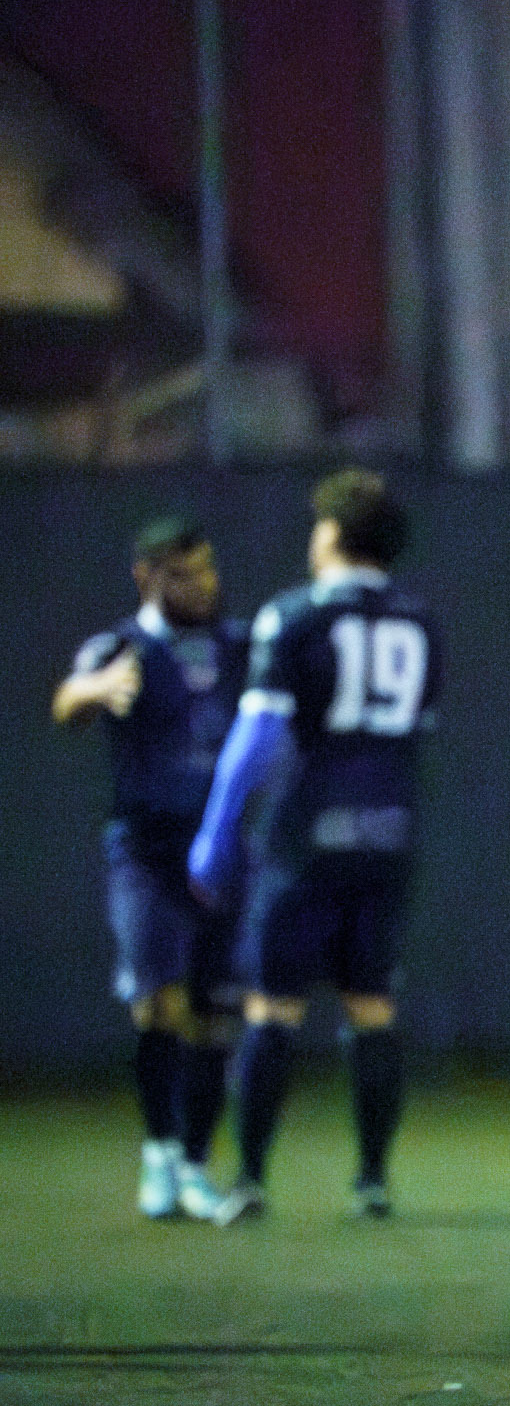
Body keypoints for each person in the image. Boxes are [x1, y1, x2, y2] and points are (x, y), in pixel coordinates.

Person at [188, 469, 443, 1224]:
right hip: (389, 830)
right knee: (371, 1007)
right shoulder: (420, 621)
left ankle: (253, 1179)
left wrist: (215, 829)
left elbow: (259, 734)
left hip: (306, 834)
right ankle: (370, 1182)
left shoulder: (293, 616)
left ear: (330, 534)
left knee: (272, 1008)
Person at [52, 518, 249, 1219]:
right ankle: (162, 1153)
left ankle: (194, 1165)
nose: (201, 586)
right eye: (183, 575)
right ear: (146, 578)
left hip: (221, 850)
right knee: (157, 1004)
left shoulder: (238, 645)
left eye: (207, 570)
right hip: (146, 850)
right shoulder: (121, 648)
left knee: (216, 1015)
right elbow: (66, 702)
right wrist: (94, 689)